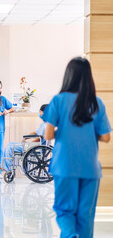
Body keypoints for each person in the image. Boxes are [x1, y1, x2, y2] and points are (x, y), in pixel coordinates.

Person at [43, 57, 111, 238]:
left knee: (65, 210)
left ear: (69, 76)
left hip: (64, 166)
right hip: (89, 168)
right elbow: (106, 137)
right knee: (86, 215)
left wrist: (65, 132)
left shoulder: (58, 101)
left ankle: (70, 235)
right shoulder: (96, 102)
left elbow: (48, 135)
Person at [1, 104, 48, 171]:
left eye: (40, 111)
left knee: (10, 147)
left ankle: (7, 169)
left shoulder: (45, 125)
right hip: (37, 147)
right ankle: (7, 166)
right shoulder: (45, 124)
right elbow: (35, 133)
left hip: (35, 148)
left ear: (42, 112)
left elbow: (39, 138)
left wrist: (29, 145)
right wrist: (26, 138)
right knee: (10, 144)